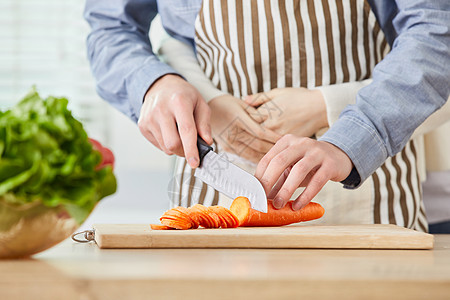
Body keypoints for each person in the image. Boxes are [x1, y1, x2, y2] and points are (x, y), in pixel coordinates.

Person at [84, 1, 450, 230]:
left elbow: (437, 34)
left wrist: (343, 128)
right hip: (214, 188)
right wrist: (154, 83)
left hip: (370, 197)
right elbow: (110, 27)